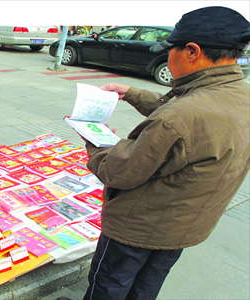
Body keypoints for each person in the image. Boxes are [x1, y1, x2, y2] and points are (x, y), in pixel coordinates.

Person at [59, 6, 250, 300]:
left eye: (170, 50)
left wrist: (91, 134)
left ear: (191, 51)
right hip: (186, 225)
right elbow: (194, 124)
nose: (166, 57)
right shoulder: (240, 95)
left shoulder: (178, 118)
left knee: (109, 285)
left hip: (138, 226)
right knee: (146, 286)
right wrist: (133, 94)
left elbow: (117, 169)